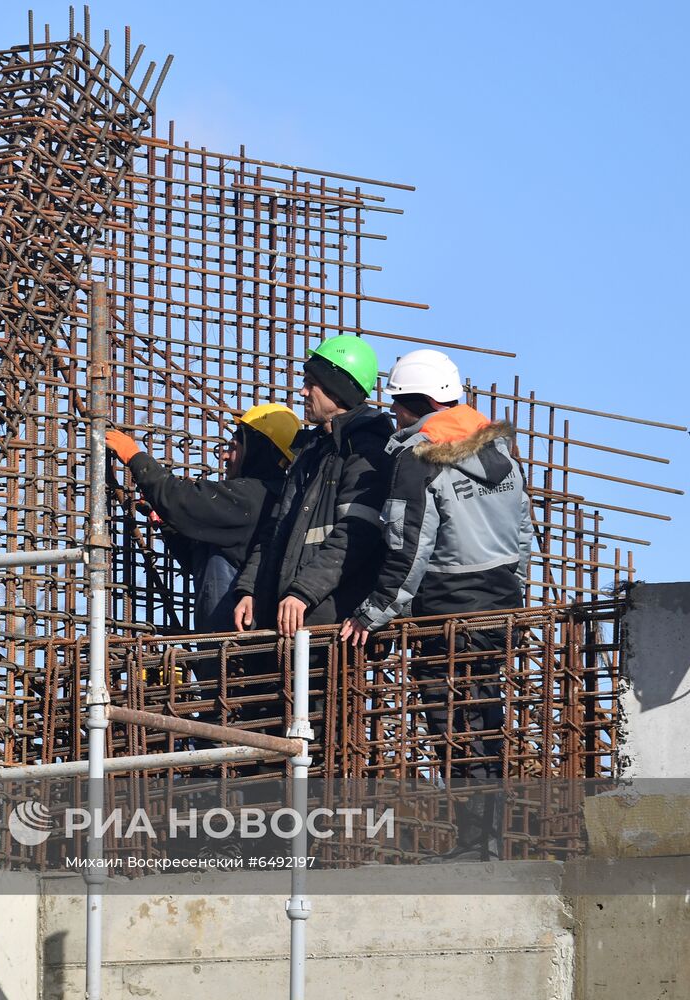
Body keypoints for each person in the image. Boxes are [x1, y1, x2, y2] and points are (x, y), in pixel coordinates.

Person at [339, 348, 534, 861]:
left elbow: (408, 543)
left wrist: (374, 611)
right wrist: (512, 595)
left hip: (448, 609)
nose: (395, 418)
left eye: (400, 407)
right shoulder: (502, 454)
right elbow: (523, 537)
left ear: (420, 403)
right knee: (486, 717)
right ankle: (485, 838)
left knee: (452, 722)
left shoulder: (419, 456)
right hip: (499, 605)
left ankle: (475, 843)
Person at [232, 335, 393, 637]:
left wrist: (304, 591)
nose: (302, 391)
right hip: (289, 618)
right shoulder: (312, 450)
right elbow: (275, 530)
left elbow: (356, 532)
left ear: (338, 388)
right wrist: (249, 588)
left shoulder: (366, 450)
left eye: (311, 383)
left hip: (330, 623)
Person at [104, 403, 300, 634]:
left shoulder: (253, 497)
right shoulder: (268, 499)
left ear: (258, 448)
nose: (225, 456)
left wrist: (135, 457)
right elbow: (202, 563)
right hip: (228, 643)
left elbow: (181, 498)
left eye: (233, 447)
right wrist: (168, 525)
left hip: (235, 646)